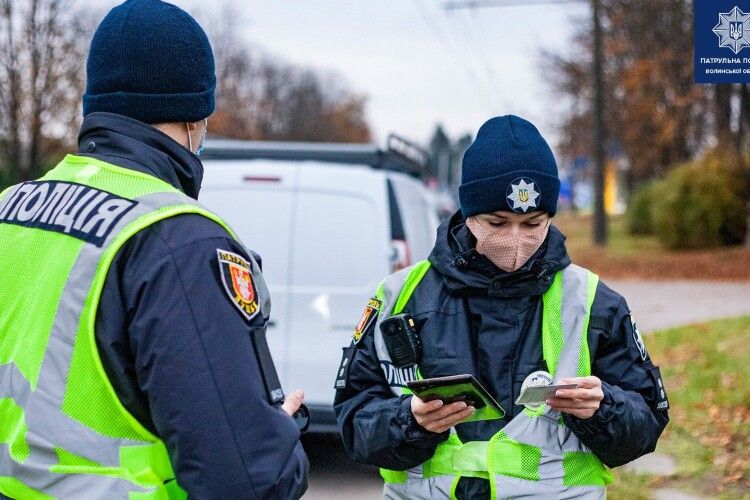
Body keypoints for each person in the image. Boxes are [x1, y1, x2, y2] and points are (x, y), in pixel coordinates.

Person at [0, 0, 308, 498]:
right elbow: (244, 480)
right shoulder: (177, 238)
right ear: (194, 119)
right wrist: (279, 440)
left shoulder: (10, 208)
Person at [334, 115, 669, 499]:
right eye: (497, 222)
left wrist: (602, 408)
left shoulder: (593, 301)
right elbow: (353, 422)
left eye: (532, 224)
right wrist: (409, 421)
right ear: (468, 214)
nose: (515, 241)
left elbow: (647, 423)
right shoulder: (400, 296)